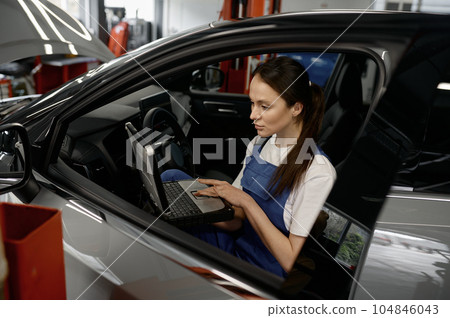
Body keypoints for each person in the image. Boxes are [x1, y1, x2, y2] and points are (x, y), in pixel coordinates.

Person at [164, 56, 336, 278]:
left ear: (296, 108)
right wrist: (200, 208)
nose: (253, 115)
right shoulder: (259, 143)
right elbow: (237, 220)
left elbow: (289, 259)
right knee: (172, 177)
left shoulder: (317, 171)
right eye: (253, 103)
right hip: (237, 243)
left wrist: (246, 201)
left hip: (260, 271)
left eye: (265, 106)